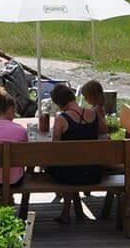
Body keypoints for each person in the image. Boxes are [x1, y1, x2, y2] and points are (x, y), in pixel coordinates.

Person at [46, 80, 109, 221]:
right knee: (72, 164)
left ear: (60, 104)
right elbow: (104, 132)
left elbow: (54, 147)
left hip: (70, 175)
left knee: (61, 166)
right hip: (93, 172)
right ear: (72, 97)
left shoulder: (61, 120)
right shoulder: (93, 114)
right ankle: (67, 211)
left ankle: (66, 211)